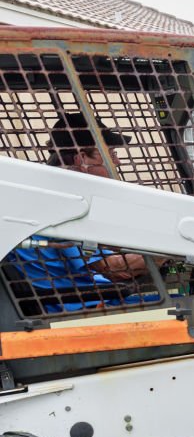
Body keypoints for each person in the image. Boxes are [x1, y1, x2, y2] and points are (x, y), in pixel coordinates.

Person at [11, 112, 152, 307]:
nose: (117, 162)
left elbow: (108, 245)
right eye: (111, 154)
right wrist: (171, 252)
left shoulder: (55, 192)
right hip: (78, 305)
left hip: (88, 294)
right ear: (82, 158)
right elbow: (113, 269)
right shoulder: (61, 201)